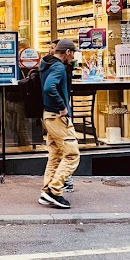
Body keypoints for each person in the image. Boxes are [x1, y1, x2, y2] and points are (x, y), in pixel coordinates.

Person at [39, 37, 80, 209]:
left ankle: (46, 190)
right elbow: (49, 87)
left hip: (48, 115)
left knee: (55, 155)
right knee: (72, 154)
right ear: (68, 52)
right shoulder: (58, 67)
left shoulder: (46, 64)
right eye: (73, 54)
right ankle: (54, 191)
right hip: (56, 116)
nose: (73, 58)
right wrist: (62, 106)